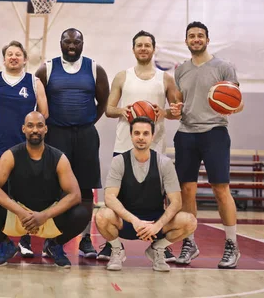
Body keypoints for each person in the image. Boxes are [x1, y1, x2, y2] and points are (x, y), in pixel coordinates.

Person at [101, 30, 181, 262]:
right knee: (119, 194)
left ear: (153, 49)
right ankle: (111, 243)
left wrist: (164, 112)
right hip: (124, 144)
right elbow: (108, 109)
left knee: (159, 195)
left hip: (155, 146)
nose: (143, 48)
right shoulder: (122, 77)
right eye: (139, 45)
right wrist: (123, 110)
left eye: (147, 45)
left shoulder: (165, 78)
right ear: (133, 49)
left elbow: (176, 112)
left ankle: (160, 244)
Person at [170, 21, 244, 269]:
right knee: (187, 191)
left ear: (207, 40)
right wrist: (175, 109)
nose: (196, 39)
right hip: (186, 133)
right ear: (186, 41)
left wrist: (231, 105)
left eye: (200, 36)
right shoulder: (180, 70)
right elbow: (179, 103)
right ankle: (189, 242)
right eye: (191, 36)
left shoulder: (224, 67)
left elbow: (238, 102)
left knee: (220, 189)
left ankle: (232, 245)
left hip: (215, 132)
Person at [34, 28, 109, 258]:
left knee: (86, 190)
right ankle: (53, 238)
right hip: (56, 136)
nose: (72, 45)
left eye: (77, 41)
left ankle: (85, 239)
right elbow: (38, 104)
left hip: (85, 135)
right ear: (60, 43)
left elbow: (103, 101)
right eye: (67, 41)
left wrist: (84, 123)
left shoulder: (95, 68)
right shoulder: (46, 69)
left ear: (83, 43)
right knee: (56, 189)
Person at [0, 112, 90, 268]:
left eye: (39, 125)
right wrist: (21, 212)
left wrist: (44, 215)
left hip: (48, 216)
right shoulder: (11, 155)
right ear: (23, 129)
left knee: (82, 213)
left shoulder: (59, 158)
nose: (35, 130)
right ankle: (6, 245)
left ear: (46, 129)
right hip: (19, 216)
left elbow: (75, 195)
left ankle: (55, 245)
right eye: (30, 126)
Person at [95, 117, 197, 272]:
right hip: (127, 221)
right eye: (137, 133)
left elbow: (176, 202)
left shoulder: (164, 163)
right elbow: (109, 197)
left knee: (190, 221)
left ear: (152, 136)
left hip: (155, 222)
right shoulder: (119, 161)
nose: (141, 137)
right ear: (131, 135)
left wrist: (158, 225)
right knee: (102, 216)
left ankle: (158, 249)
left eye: (145, 133)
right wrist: (135, 221)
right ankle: (117, 250)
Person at [0, 40, 48, 258]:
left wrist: (27, 131)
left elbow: (44, 113)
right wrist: (2, 126)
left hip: (24, 150)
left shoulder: (34, 82)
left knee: (24, 196)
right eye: (10, 54)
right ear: (4, 58)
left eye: (18, 54)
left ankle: (25, 239)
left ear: (25, 59)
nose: (14, 57)